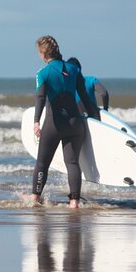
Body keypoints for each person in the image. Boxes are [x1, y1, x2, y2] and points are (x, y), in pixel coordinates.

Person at [28, 36, 100, 208]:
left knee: (42, 163)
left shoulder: (43, 73)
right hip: (76, 124)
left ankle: (35, 198)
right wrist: (95, 119)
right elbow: (84, 96)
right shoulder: (74, 69)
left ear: (44, 53)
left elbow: (40, 97)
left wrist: (36, 121)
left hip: (54, 124)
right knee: (72, 162)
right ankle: (74, 201)